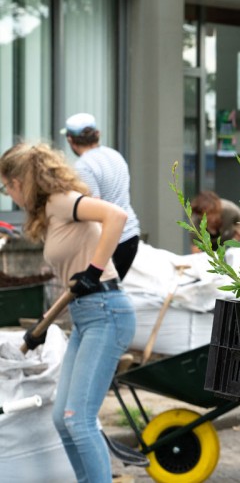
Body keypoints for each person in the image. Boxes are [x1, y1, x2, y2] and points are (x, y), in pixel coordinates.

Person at [0, 142, 136, 483]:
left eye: (7, 187)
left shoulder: (62, 201)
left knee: (79, 418)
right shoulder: (49, 213)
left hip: (107, 312)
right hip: (87, 315)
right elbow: (72, 280)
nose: (8, 195)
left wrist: (95, 270)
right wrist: (45, 324)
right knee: (62, 418)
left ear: (21, 181)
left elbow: (115, 216)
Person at [62, 113, 141, 280]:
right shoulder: (115, 155)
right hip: (130, 235)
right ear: (97, 134)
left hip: (110, 241)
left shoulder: (83, 167)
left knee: (98, 296)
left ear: (70, 139)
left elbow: (94, 208)